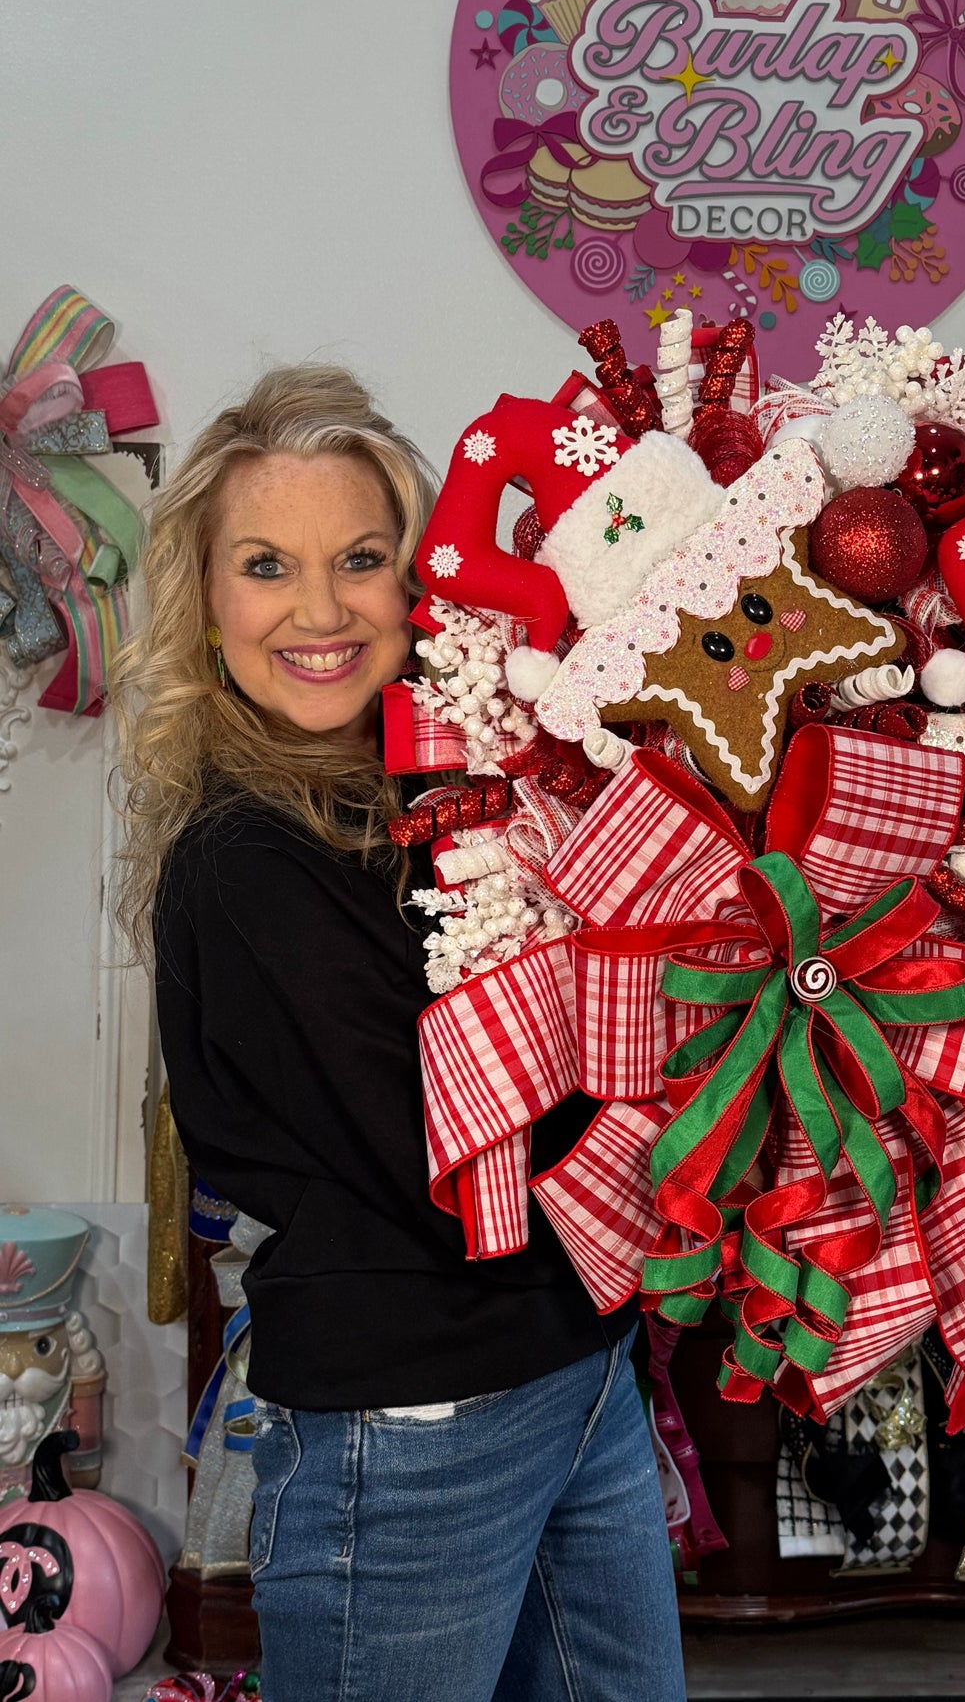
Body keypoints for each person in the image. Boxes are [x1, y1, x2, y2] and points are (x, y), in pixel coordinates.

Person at [112, 366, 685, 1701]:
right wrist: (688, 1134)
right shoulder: (245, 858)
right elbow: (442, 1160)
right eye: (266, 567)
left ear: (420, 577)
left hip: (582, 1368)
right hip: (418, 1418)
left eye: (360, 560)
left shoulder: (462, 781)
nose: (320, 611)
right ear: (206, 600)